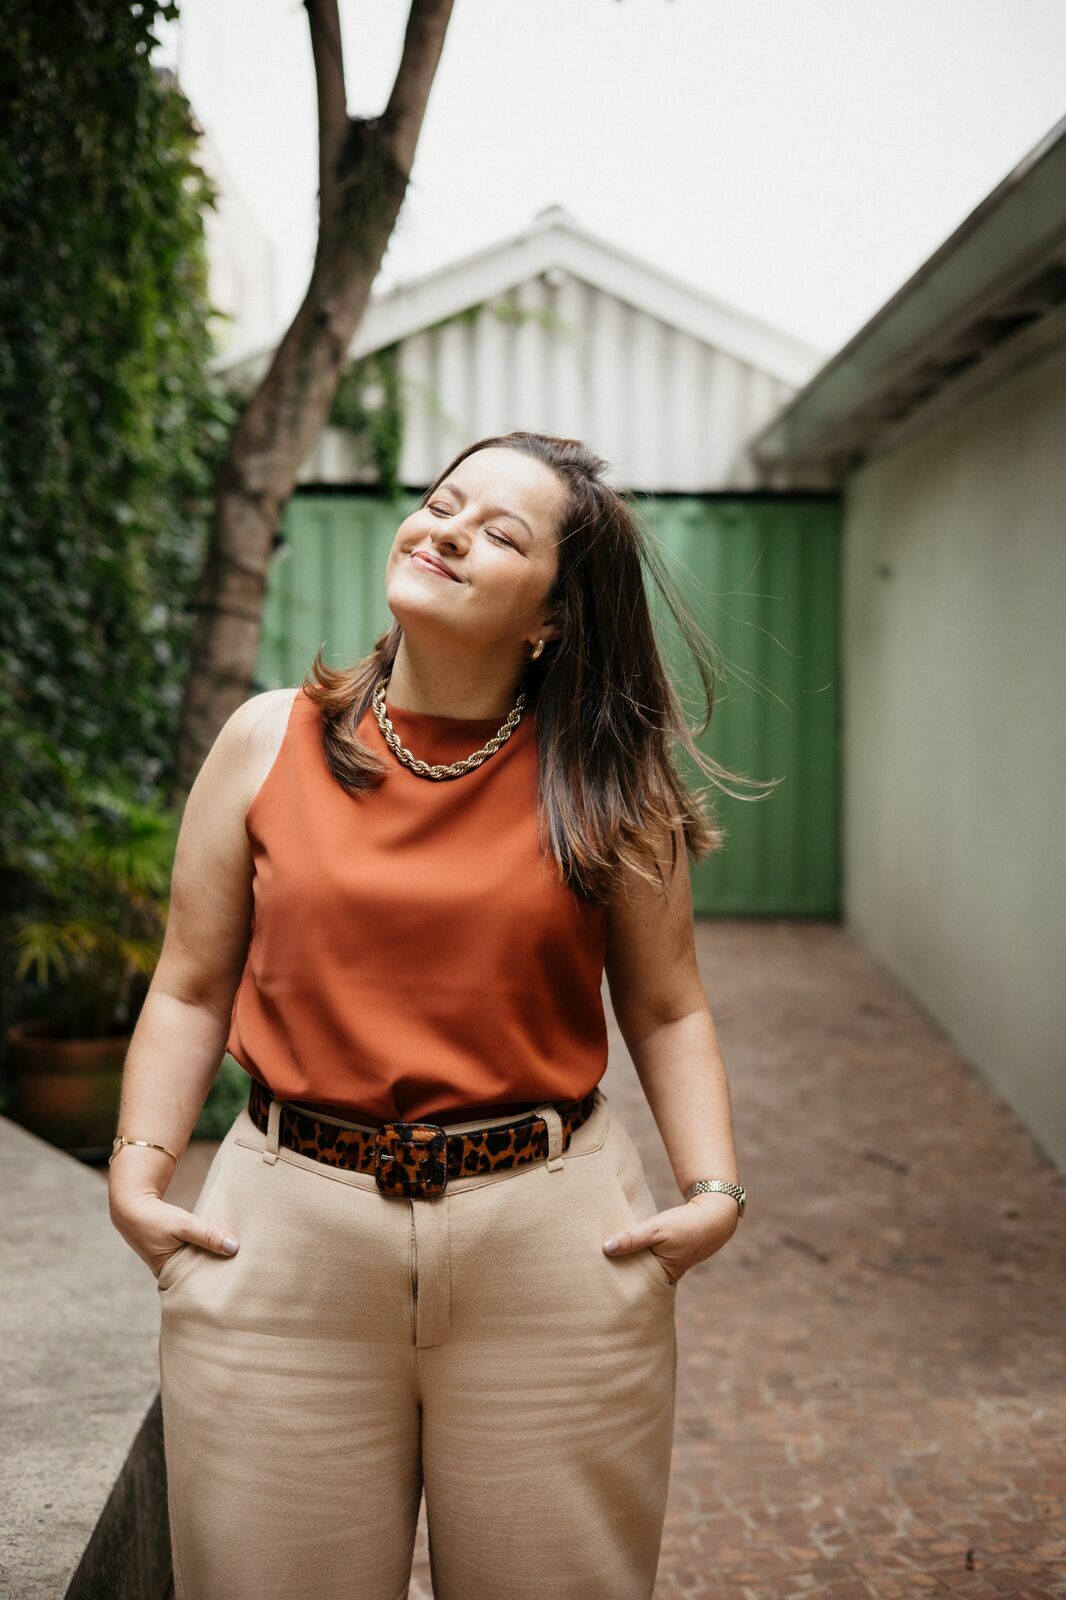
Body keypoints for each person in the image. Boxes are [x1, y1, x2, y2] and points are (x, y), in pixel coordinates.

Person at [108, 431, 763, 1600]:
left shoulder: (610, 784)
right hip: (285, 1242)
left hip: (551, 1252)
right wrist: (139, 1173)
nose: (448, 527)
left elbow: (666, 1011)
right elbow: (191, 980)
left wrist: (711, 1192)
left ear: (551, 617)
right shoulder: (268, 739)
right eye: (443, 503)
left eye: (499, 531)